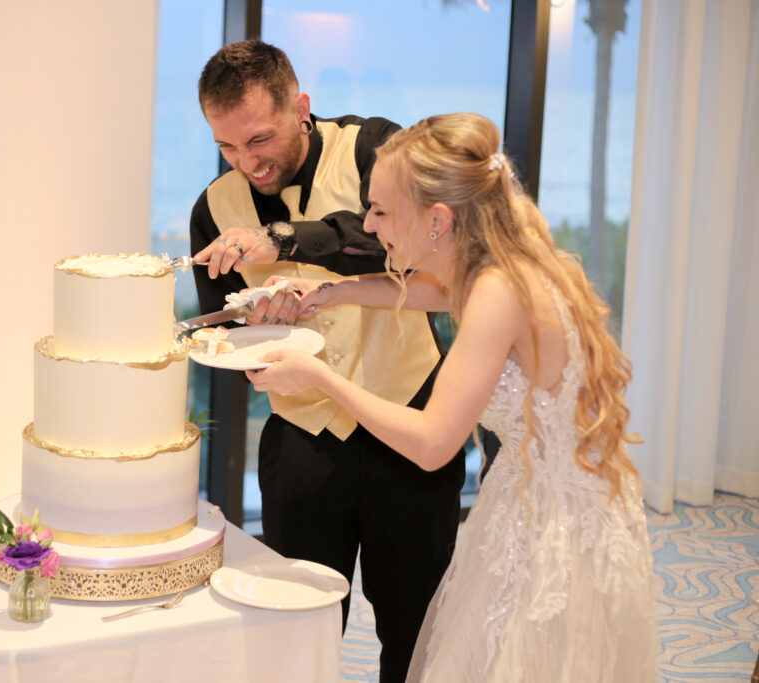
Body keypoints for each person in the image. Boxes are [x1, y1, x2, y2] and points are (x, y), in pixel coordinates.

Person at [247, 112, 659, 681]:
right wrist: (328, 291)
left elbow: (435, 442)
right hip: (539, 493)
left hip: (553, 524)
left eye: (381, 211)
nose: (368, 224)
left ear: (437, 219)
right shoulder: (499, 263)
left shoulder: (497, 291)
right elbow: (430, 292)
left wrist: (319, 378)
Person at [189, 41, 466, 683]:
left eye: (259, 138)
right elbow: (221, 331)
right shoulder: (211, 207)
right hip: (303, 443)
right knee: (294, 625)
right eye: (227, 147)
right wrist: (248, 330)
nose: (247, 162)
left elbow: (415, 248)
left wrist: (284, 240)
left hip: (408, 421)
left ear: (301, 108)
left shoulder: (374, 149)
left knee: (415, 620)